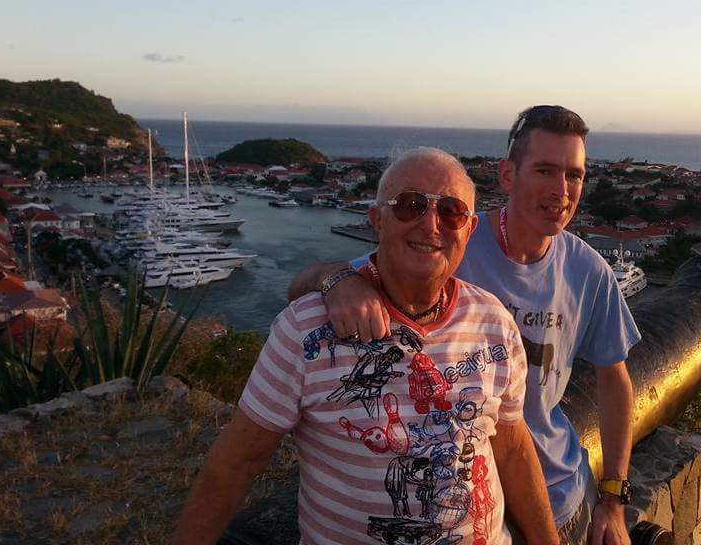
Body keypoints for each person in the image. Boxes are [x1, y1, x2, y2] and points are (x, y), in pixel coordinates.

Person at [289, 106, 641, 545]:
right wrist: (337, 279)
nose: (561, 189)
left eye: (574, 175)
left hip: (555, 494)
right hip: (462, 504)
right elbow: (304, 285)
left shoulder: (588, 271)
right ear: (508, 175)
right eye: (545, 170)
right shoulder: (448, 239)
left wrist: (613, 498)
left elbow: (614, 382)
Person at [174, 147, 559, 545]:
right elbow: (236, 464)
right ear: (377, 220)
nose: (431, 225)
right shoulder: (306, 331)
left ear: (469, 230)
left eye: (451, 211)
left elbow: (511, 449)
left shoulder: (493, 320)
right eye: (410, 206)